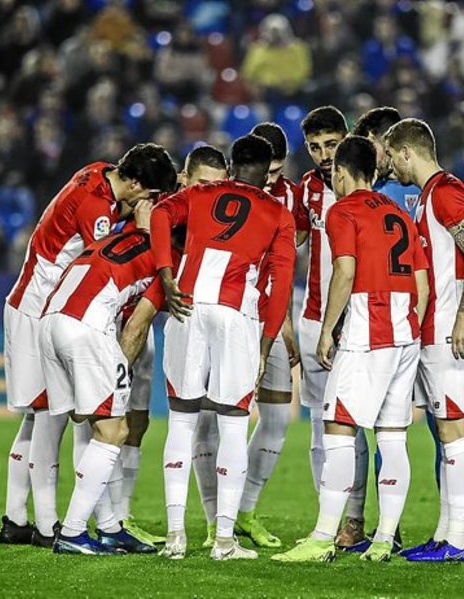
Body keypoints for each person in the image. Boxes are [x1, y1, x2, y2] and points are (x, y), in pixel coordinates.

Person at [0, 144, 177, 548]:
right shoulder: (98, 212)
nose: (148, 204)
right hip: (38, 306)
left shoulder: (98, 172)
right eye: (150, 196)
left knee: (45, 417)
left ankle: (18, 518)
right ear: (135, 184)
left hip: (45, 303)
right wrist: (148, 231)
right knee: (49, 416)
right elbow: (110, 251)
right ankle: (48, 527)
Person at [272, 136, 429, 563]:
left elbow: (344, 270)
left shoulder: (342, 210)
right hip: (405, 330)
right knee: (392, 436)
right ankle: (384, 540)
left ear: (341, 172)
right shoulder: (399, 213)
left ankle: (323, 537)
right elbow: (421, 284)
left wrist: (327, 330)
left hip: (368, 326)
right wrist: (409, 325)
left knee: (338, 428)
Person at [150, 134, 296, 561]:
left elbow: (159, 214)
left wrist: (166, 275)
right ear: (267, 175)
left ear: (231, 167)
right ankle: (225, 541)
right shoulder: (278, 213)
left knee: (182, 421)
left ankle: (176, 537)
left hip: (187, 306)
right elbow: (281, 285)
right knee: (233, 424)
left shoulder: (201, 193)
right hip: (236, 315)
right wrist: (266, 345)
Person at [41, 201, 176, 555]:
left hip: (51, 320)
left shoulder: (118, 237)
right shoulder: (167, 263)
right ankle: (72, 533)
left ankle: (109, 527)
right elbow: (135, 328)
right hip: (85, 328)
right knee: (115, 430)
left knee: (91, 426)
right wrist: (120, 376)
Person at [384, 118, 464, 562]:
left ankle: (458, 542)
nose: (390, 166)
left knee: (455, 432)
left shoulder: (446, 190)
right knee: (447, 434)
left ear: (407, 152)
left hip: (452, 332)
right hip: (435, 332)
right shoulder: (430, 195)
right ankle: (445, 533)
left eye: (392, 156)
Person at [111, 145, 229, 547]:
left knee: (137, 421)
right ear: (183, 181)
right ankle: (100, 518)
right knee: (104, 415)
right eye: (202, 184)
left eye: (218, 186)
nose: (209, 193)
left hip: (143, 324)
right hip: (112, 318)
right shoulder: (151, 207)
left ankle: (121, 516)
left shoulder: (208, 224)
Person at [191, 124, 301, 549]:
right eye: (263, 171)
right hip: (229, 315)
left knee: (275, 418)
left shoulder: (294, 200)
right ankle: (212, 519)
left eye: (275, 172)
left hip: (269, 320)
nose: (267, 180)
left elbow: (285, 268)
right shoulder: (225, 192)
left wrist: (283, 323)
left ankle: (245, 511)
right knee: (208, 420)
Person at [295, 106, 351, 500]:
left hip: (358, 320)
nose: (324, 155)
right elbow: (292, 240)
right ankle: (326, 515)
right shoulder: (307, 188)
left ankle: (356, 516)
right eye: (315, 147)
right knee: (318, 423)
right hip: (314, 317)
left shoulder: (368, 186)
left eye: (331, 144)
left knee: (352, 424)